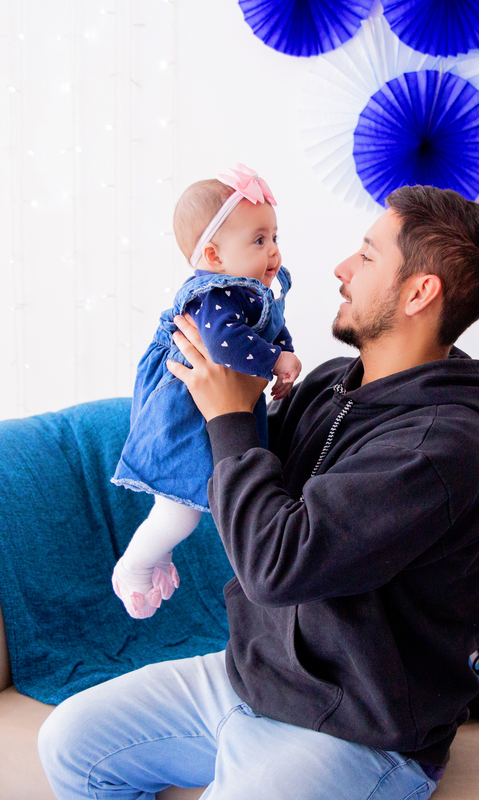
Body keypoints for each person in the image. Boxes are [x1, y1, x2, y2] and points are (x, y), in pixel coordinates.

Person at [40, 184, 479, 799]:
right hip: (253, 680)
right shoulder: (334, 382)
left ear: (420, 291)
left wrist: (229, 416)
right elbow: (242, 489)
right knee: (70, 743)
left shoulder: (441, 446)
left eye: (366, 257)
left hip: (356, 728)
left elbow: (275, 563)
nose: (341, 268)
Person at [110, 164, 302, 619]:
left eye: (274, 237)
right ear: (213, 256)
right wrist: (275, 360)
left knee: (191, 503)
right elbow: (224, 344)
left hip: (211, 405)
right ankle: (134, 566)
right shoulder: (214, 294)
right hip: (185, 409)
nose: (273, 251)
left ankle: (155, 555)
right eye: (259, 240)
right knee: (182, 509)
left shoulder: (251, 292)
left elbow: (274, 331)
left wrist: (283, 359)